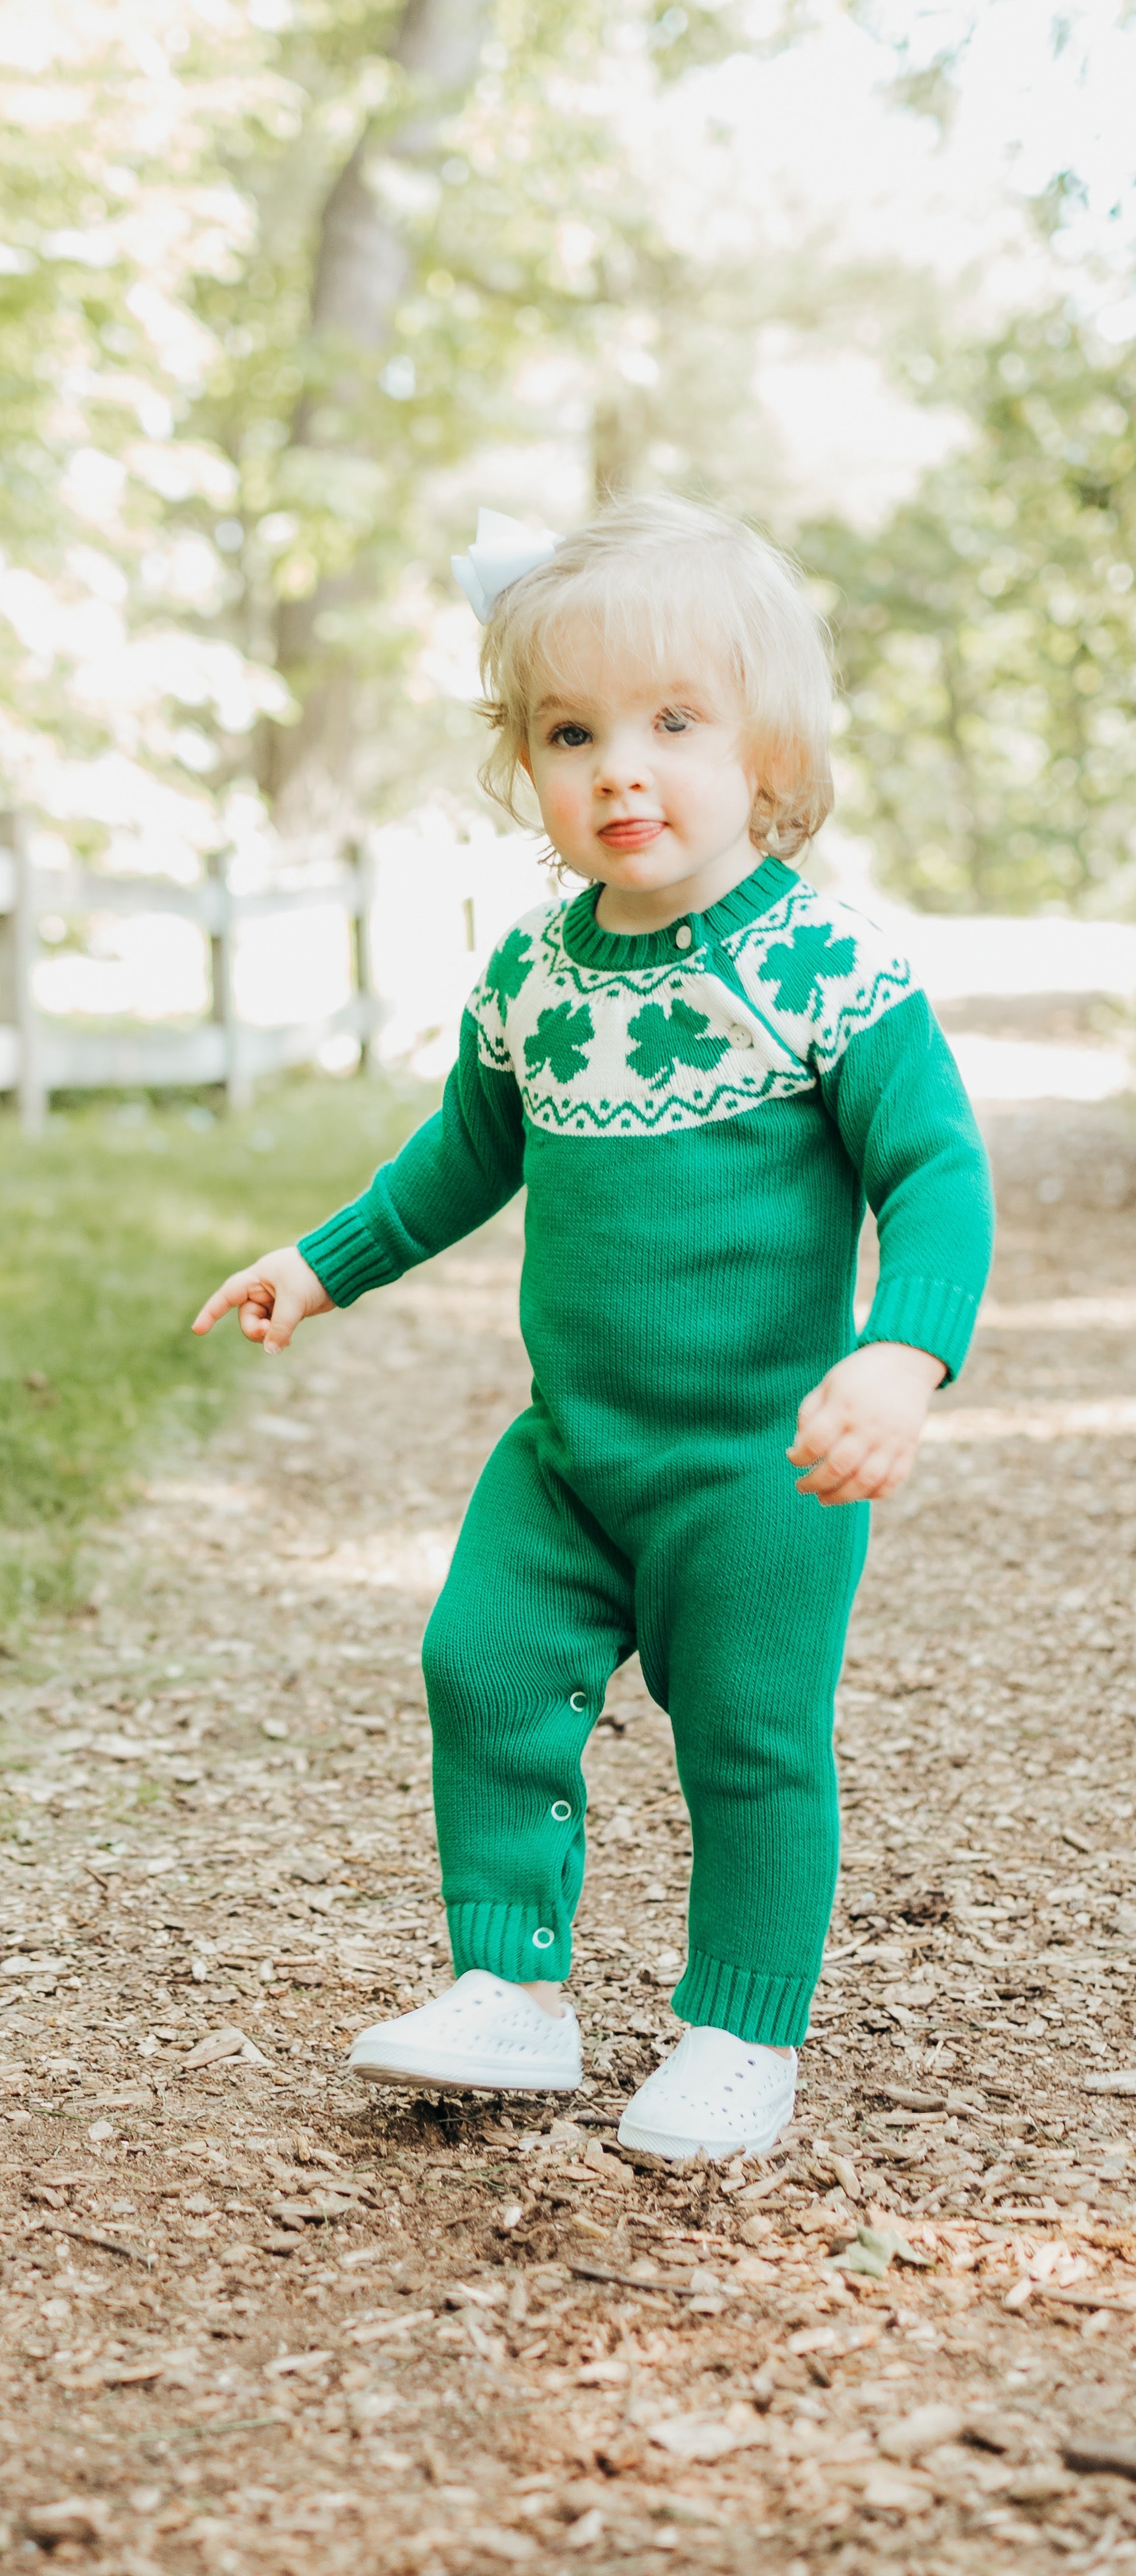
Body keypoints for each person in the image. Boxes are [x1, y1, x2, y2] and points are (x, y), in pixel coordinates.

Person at [191, 497, 994, 2159]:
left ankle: (740, 2030)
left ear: (766, 749)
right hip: (570, 1452)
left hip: (755, 1467)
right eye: (572, 733)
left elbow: (938, 1175)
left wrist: (899, 1351)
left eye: (673, 725)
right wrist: (321, 1261)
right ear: (524, 764)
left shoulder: (828, 969)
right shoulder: (534, 976)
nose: (620, 770)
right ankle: (513, 1990)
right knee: (480, 1663)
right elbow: (461, 1160)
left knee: (750, 1741)